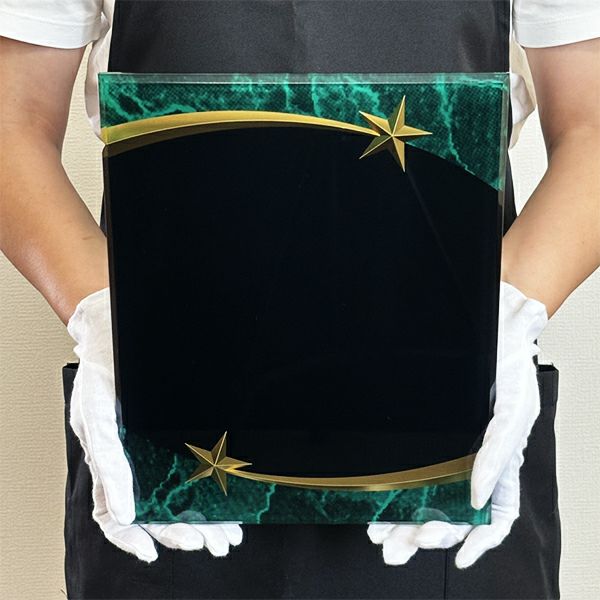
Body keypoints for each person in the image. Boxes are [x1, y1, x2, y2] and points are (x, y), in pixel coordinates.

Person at [0, 1, 598, 598]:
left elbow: (590, 128)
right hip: (168, 408)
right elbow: (13, 121)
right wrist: (100, 315)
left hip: (446, 399)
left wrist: (510, 313)